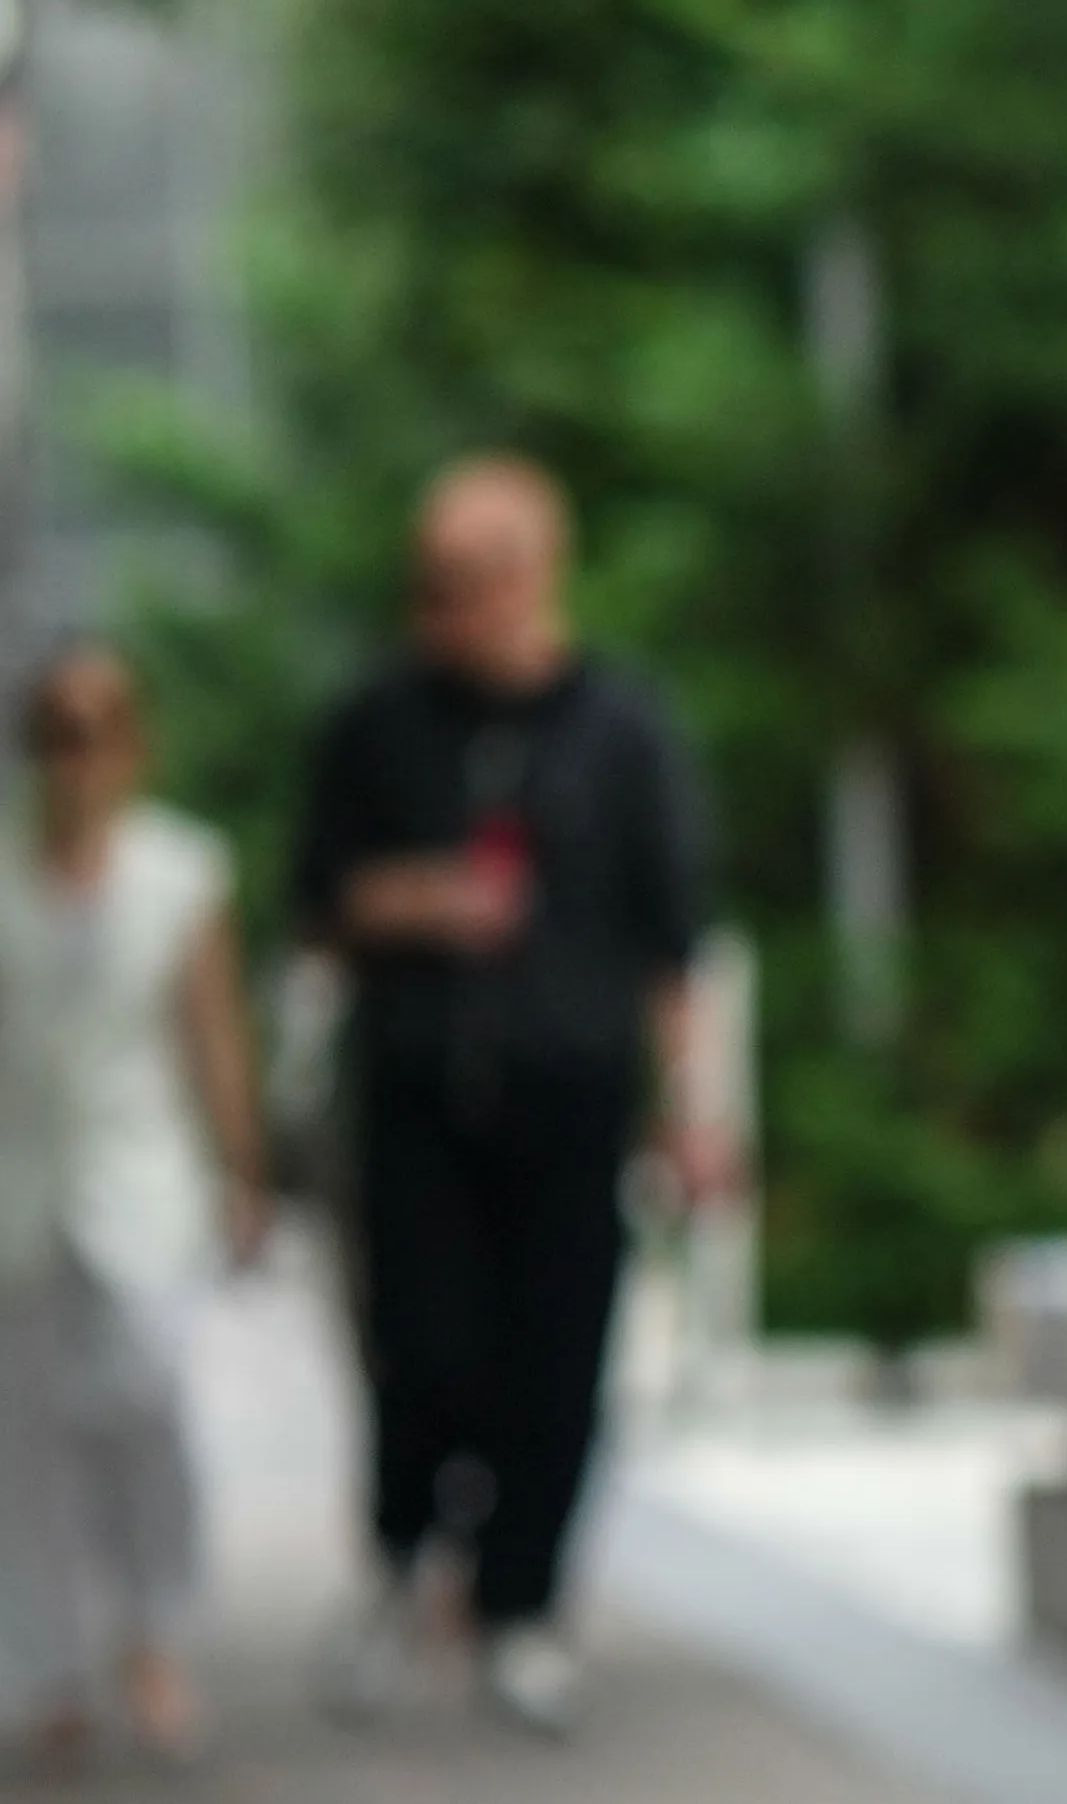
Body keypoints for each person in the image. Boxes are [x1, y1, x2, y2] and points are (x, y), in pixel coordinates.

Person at [299, 454, 715, 1738]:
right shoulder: (375, 723)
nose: (442, 606)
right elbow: (316, 897)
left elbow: (674, 939)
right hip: (420, 1085)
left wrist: (694, 1110)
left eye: (467, 579)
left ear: (537, 571)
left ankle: (520, 1605)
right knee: (422, 1342)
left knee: (557, 1353)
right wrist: (420, 898)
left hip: (568, 1089)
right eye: (427, 582)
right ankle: (405, 1557)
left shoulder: (624, 726)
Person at [0, 646, 266, 1769]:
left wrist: (242, 1168)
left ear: (134, 744)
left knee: (144, 1398)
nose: (80, 757)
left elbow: (211, 1031)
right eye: (61, 731)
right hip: (20, 1182)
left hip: (143, 1179)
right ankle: (48, 1661)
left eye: (100, 729)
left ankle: (155, 1628)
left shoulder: (180, 871)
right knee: (26, 1438)